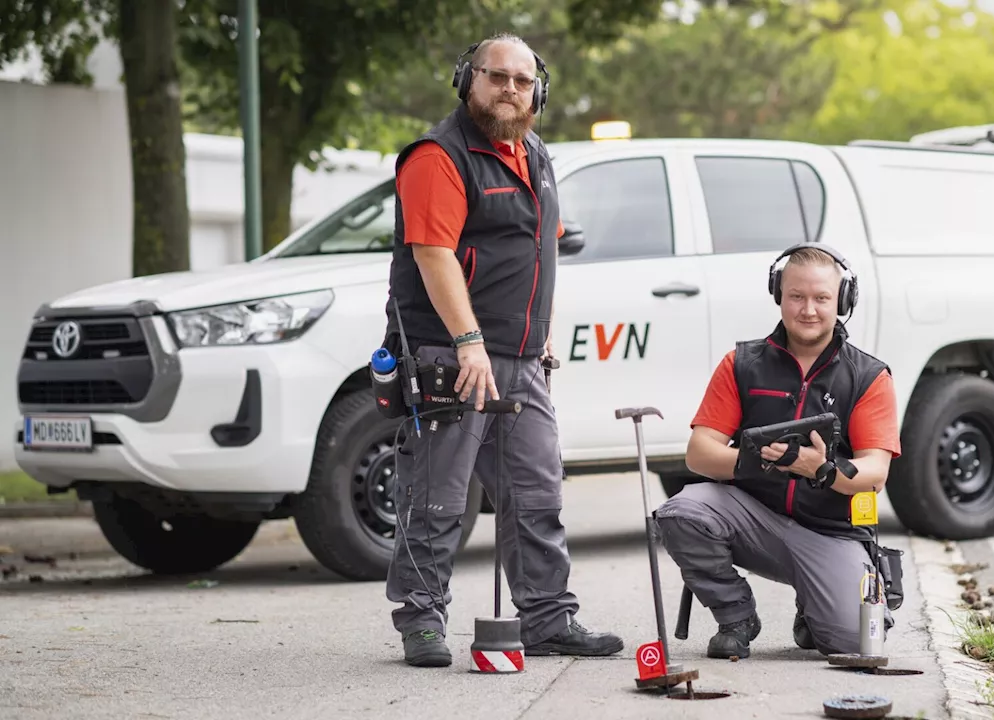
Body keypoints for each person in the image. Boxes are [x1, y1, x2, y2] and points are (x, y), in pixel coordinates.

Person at [382, 32, 624, 668]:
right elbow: (434, 256)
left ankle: (547, 618)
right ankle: (422, 622)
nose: (510, 90)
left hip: (520, 359)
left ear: (536, 90)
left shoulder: (535, 154)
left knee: (537, 494)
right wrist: (469, 343)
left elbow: (536, 249)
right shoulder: (438, 156)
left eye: (521, 80)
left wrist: (540, 332)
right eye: (496, 77)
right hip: (450, 354)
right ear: (469, 81)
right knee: (436, 496)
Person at [653, 243, 902, 660]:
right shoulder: (741, 363)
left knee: (856, 643)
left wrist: (817, 467)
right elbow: (698, 453)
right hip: (754, 520)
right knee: (682, 511)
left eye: (822, 298)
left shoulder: (869, 377)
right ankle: (736, 616)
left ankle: (814, 609)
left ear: (842, 301)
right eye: (796, 296)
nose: (808, 309)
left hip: (831, 533)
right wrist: (766, 461)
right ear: (778, 295)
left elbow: (875, 472)